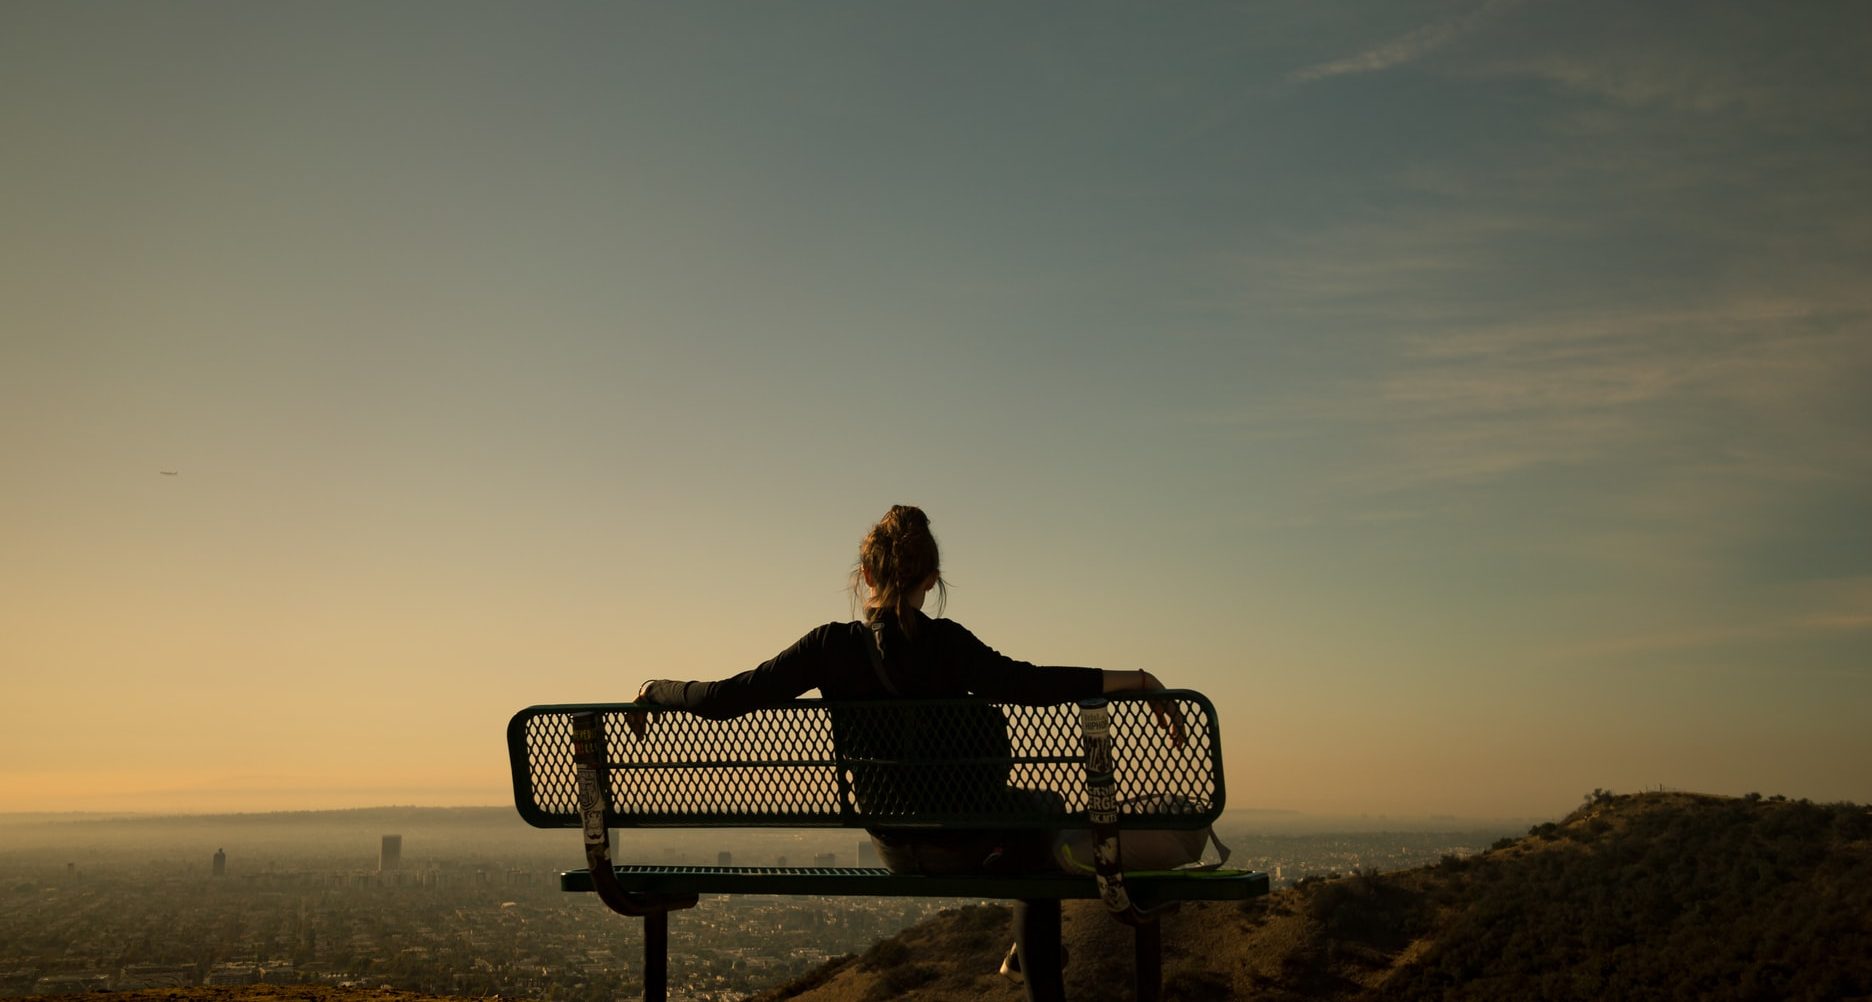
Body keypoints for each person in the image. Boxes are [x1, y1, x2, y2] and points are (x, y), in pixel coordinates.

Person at [628, 503, 1179, 875]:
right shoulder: (951, 646)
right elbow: (1029, 684)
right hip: (968, 838)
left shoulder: (829, 647)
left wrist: (658, 689)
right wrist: (1136, 680)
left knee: (1032, 830)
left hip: (892, 842)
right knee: (1046, 814)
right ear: (931, 580)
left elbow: (726, 698)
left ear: (866, 577)